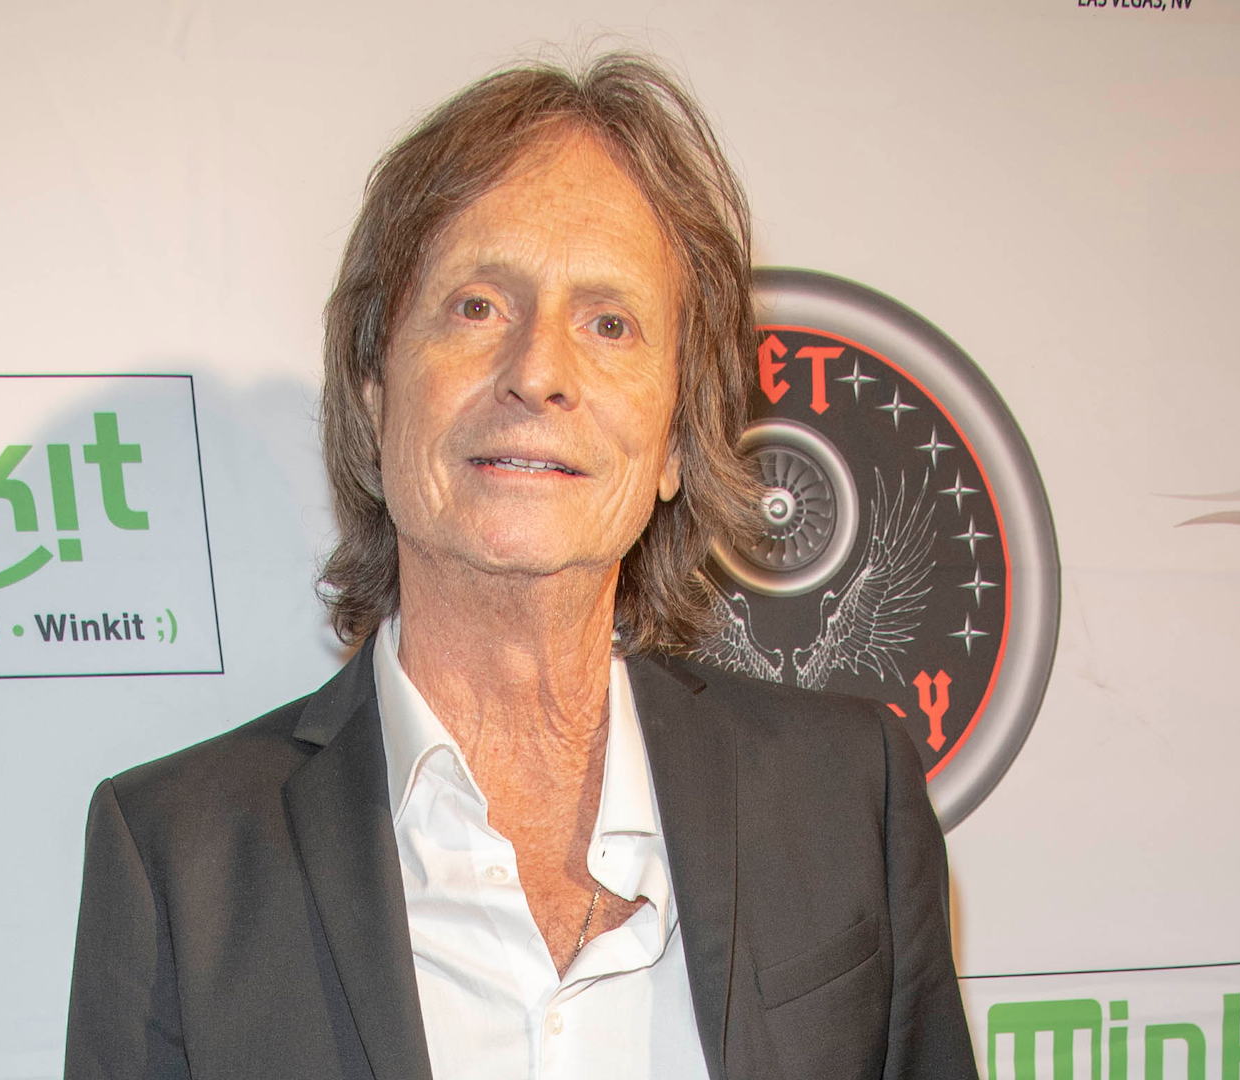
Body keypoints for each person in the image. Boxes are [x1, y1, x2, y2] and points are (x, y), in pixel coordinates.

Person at [64, 51, 977, 1080]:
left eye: (609, 323)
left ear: (677, 439)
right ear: (375, 392)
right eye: (477, 306)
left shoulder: (848, 795)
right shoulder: (181, 861)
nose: (539, 372)